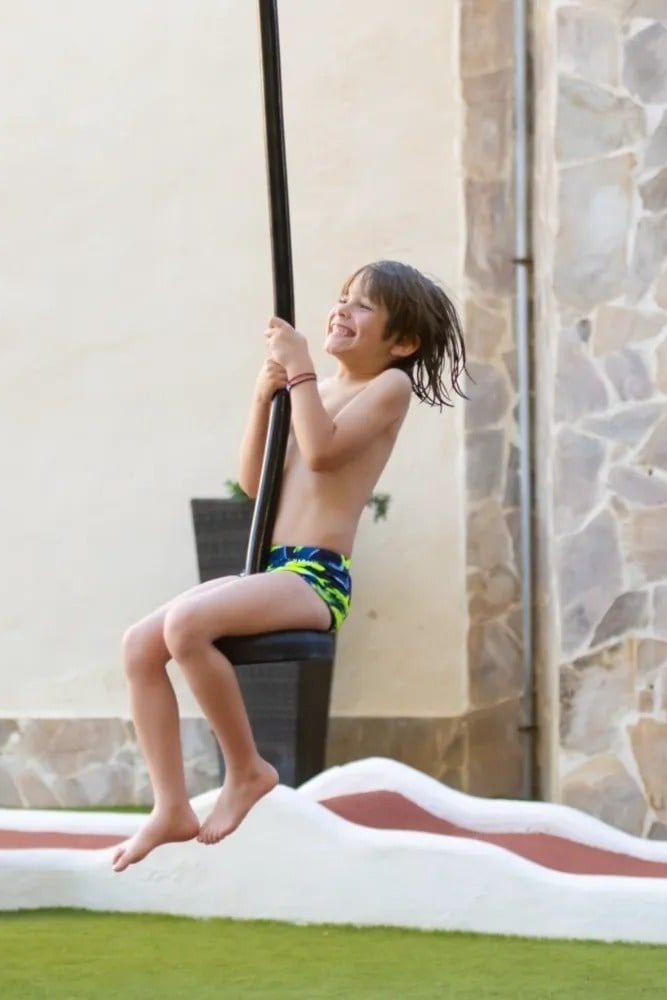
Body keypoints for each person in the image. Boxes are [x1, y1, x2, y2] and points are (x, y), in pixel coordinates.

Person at [111, 259, 468, 873]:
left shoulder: (387, 388)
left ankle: (247, 769)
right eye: (342, 299)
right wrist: (263, 396)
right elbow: (256, 485)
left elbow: (325, 454)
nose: (342, 311)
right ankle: (171, 806)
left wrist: (300, 369)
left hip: (315, 577)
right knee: (140, 644)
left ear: (401, 343)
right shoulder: (314, 393)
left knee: (186, 628)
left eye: (363, 307)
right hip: (273, 568)